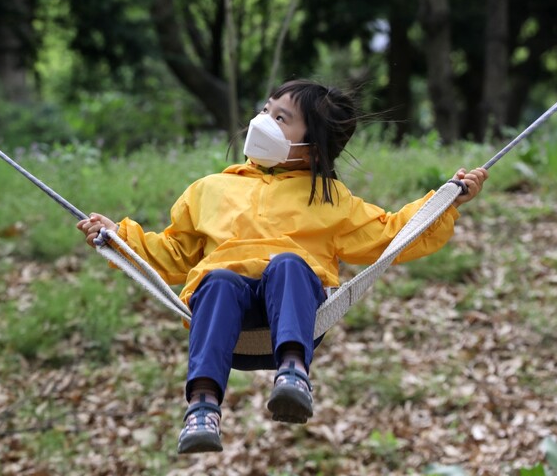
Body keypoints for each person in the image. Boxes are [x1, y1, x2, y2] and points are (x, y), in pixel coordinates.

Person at [76, 80, 488, 455]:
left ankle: (293, 373)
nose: (262, 122)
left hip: (292, 311)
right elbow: (171, 253)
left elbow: (391, 232)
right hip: (228, 314)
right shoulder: (209, 190)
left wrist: (445, 201)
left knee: (288, 264)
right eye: (264, 110)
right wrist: (119, 238)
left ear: (310, 145)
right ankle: (202, 407)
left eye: (280, 118)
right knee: (217, 279)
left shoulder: (328, 197)